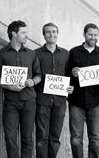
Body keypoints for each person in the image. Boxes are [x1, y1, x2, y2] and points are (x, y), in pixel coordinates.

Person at [67, 23, 99, 158]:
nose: (93, 37)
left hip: (95, 102)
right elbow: (67, 75)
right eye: (90, 34)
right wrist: (73, 74)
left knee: (95, 139)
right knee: (76, 138)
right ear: (84, 35)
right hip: (76, 101)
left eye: (95, 35)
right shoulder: (73, 52)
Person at [0, 20, 41, 158]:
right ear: (14, 33)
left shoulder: (31, 54)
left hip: (29, 101)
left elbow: (38, 75)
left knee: (27, 138)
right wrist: (10, 86)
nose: (26, 35)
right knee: (10, 138)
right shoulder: (1, 54)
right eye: (23, 32)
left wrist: (32, 81)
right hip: (10, 102)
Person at [34, 22, 74, 158]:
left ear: (57, 34)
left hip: (60, 101)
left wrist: (70, 86)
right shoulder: (36, 54)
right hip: (42, 100)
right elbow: (34, 74)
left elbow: (69, 74)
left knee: (55, 137)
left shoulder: (65, 53)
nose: (52, 34)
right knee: (42, 137)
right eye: (48, 32)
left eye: (54, 32)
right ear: (44, 35)